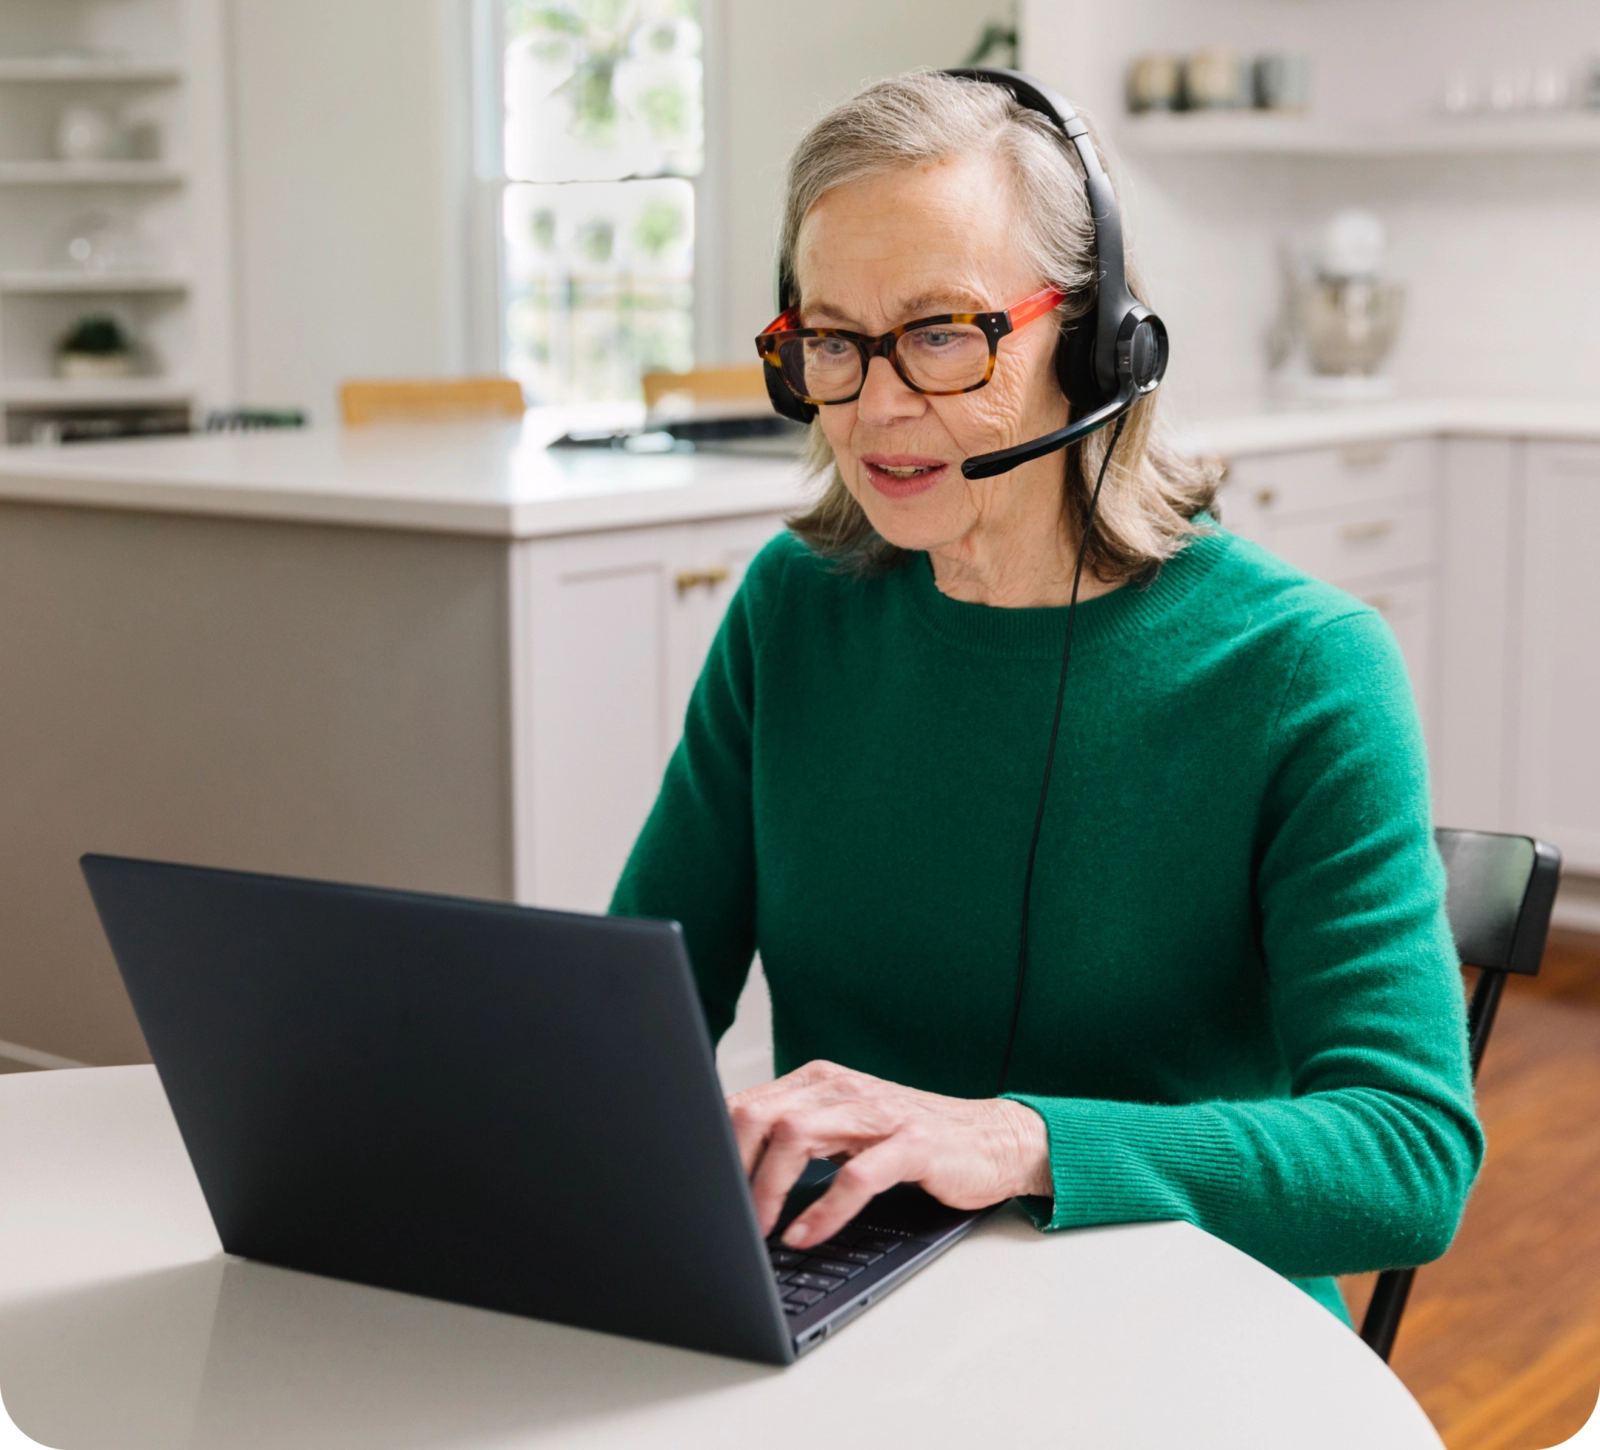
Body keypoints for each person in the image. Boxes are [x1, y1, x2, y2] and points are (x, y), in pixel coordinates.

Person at [610, 70, 1481, 1323]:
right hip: (850, 1309)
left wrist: (1021, 1140)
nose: (878, 404)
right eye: (835, 341)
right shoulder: (794, 608)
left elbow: (1407, 1158)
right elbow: (643, 1001)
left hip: (1188, 1330)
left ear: (1096, 340)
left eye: (942, 332)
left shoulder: (1302, 668)